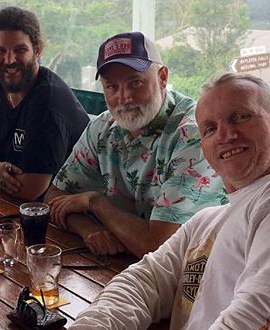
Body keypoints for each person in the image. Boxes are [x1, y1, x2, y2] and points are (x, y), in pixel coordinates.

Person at [9, 72, 270, 330]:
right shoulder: (210, 221)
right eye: (211, 127)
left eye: (241, 117)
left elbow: (258, 322)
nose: (225, 135)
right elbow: (144, 282)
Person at [45, 31, 226, 258]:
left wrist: (95, 203)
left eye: (135, 82)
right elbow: (54, 197)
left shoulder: (194, 134)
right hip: (124, 267)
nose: (125, 97)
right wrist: (89, 229)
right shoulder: (103, 127)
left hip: (193, 277)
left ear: (162, 77)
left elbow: (158, 247)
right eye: (112, 87)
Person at [0, 6, 89, 200]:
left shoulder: (49, 101)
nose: (9, 60)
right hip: (20, 207)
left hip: (68, 214)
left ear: (37, 50)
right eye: (0, 51)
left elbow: (29, 189)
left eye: (20, 50)